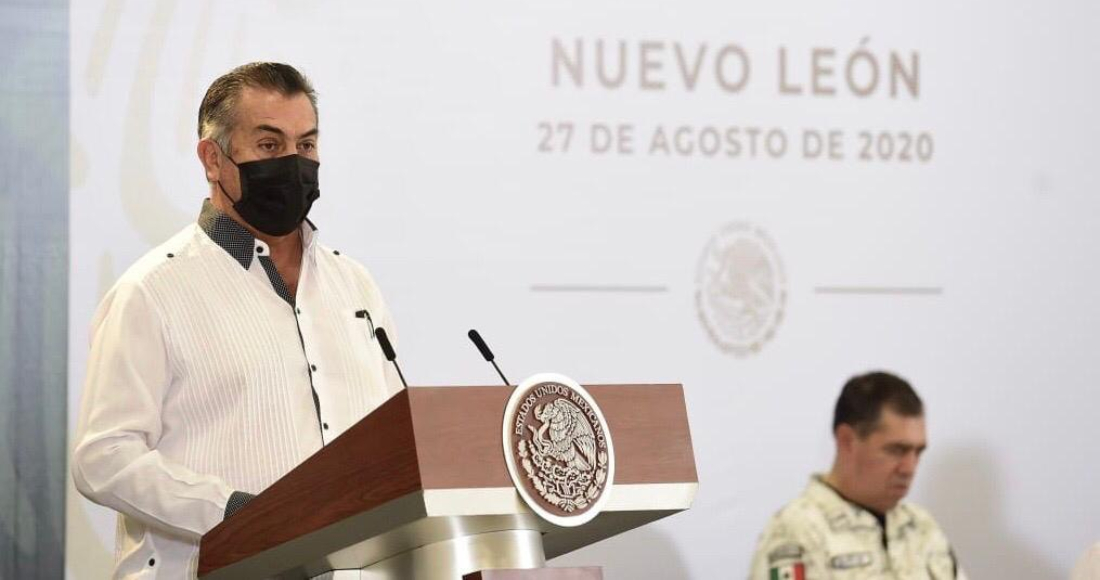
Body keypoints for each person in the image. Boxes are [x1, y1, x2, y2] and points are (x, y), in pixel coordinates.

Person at [71, 62, 402, 578]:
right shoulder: (152, 291)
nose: (293, 163)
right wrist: (235, 513)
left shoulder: (354, 283)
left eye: (306, 144)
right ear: (212, 158)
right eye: (269, 145)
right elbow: (104, 457)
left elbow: (389, 438)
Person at [749, 372, 966, 580]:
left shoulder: (921, 525)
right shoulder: (797, 531)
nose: (909, 468)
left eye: (918, 452)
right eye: (896, 450)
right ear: (847, 440)